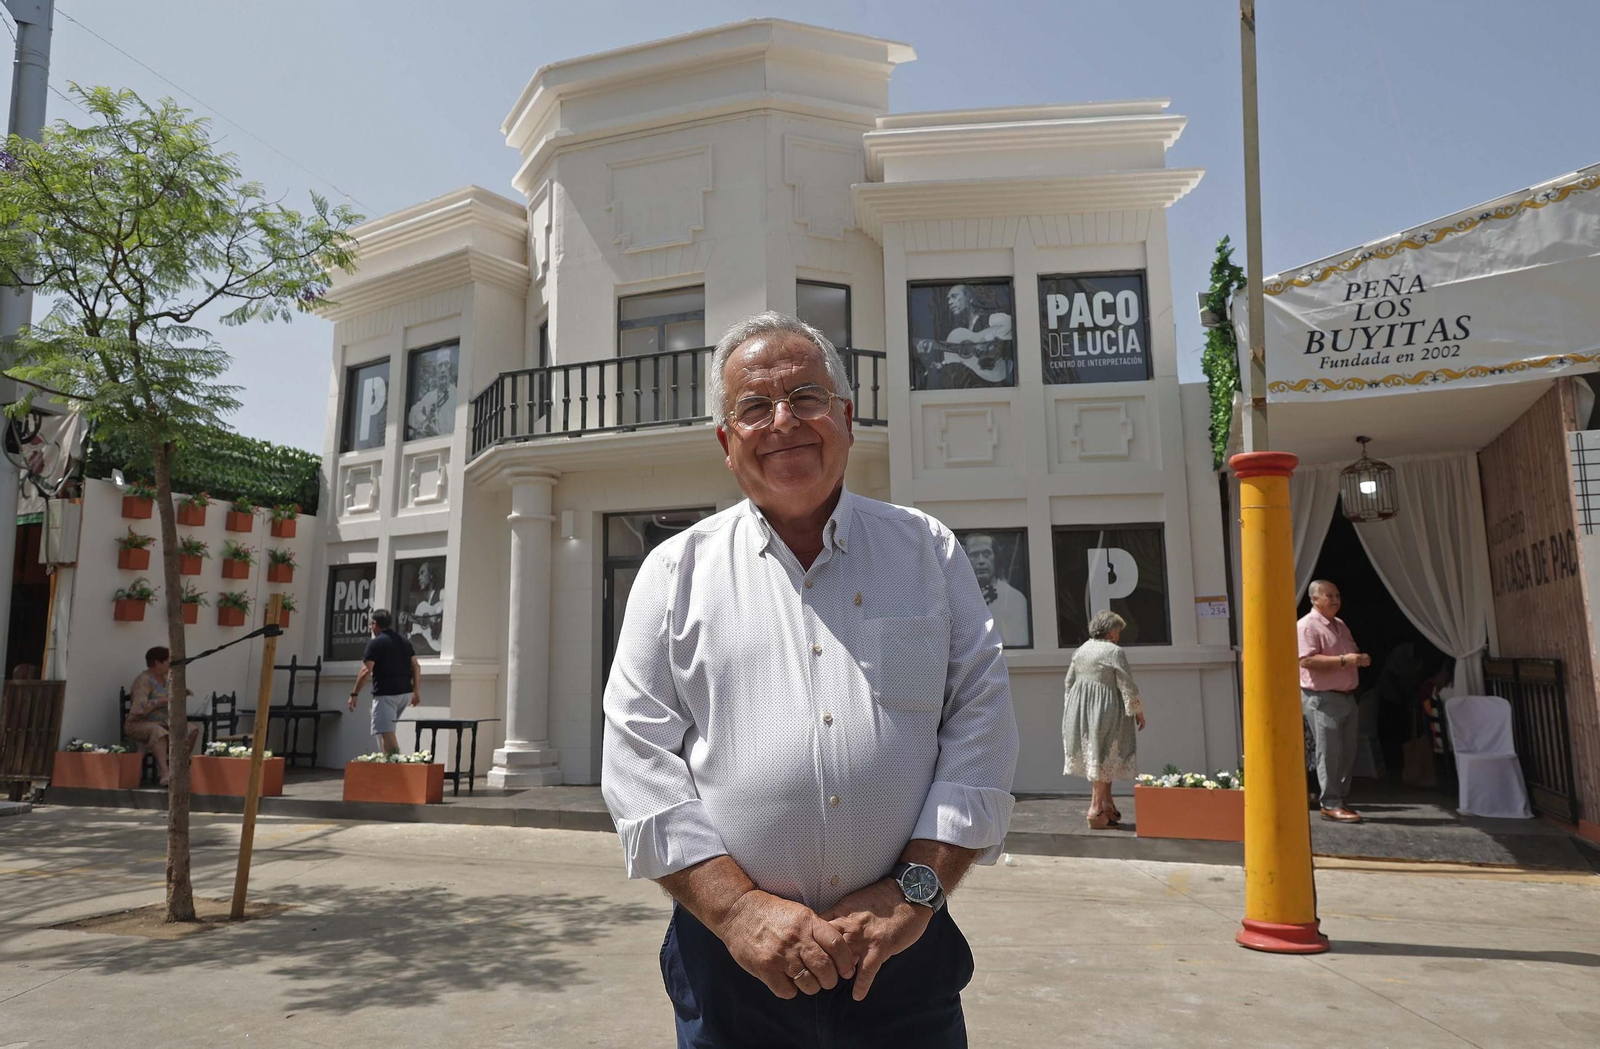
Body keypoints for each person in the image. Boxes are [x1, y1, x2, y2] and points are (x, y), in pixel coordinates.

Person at [602, 311, 1019, 1048]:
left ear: (849, 419)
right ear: (727, 443)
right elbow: (636, 758)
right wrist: (736, 911)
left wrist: (910, 894)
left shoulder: (927, 551)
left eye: (807, 396)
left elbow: (981, 726)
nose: (783, 421)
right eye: (754, 407)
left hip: (905, 959)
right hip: (734, 968)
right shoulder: (673, 573)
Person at [1061, 611, 1145, 829]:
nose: (1118, 636)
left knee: (1099, 756)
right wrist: (1138, 711)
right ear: (1110, 632)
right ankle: (1095, 809)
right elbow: (1126, 683)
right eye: (1117, 631)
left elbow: (1069, 683)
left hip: (1081, 711)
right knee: (1103, 754)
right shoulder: (1114, 651)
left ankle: (1107, 805)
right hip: (1107, 709)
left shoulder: (1081, 650)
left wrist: (1071, 710)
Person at [1297, 580, 1371, 823]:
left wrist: (1359, 659)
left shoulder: (1340, 624)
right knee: (1329, 752)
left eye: (1337, 595)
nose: (1335, 599)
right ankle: (1330, 803)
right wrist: (1344, 661)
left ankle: (1340, 798)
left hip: (1346, 697)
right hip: (1322, 698)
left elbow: (1349, 652)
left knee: (1347, 752)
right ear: (1314, 599)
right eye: (1329, 595)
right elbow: (1306, 661)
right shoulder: (1307, 625)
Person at [912, 283, 1014, 389]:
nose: (950, 302)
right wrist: (930, 360)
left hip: (997, 382)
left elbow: (1011, 324)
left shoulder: (989, 319)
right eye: (948, 299)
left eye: (954, 297)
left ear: (969, 299)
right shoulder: (959, 333)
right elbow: (955, 360)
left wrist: (985, 339)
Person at [347, 609, 421, 755]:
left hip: (386, 694)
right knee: (384, 730)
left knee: (386, 732)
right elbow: (416, 666)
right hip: (405, 693)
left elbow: (366, 671)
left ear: (375, 623)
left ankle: (397, 769)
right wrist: (416, 691)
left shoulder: (376, 643)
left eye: (371, 624)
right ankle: (386, 766)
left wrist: (354, 694)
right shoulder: (404, 641)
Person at [123, 646, 198, 786]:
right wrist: (163, 701)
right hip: (139, 723)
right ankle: (164, 773)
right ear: (157, 663)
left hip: (164, 722)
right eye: (167, 662)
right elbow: (139, 708)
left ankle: (179, 767)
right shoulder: (143, 680)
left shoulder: (166, 680)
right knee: (159, 732)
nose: (170, 665)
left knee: (191, 730)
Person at [961, 532, 1030, 646]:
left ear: (996, 557)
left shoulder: (1015, 598)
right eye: (974, 555)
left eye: (987, 553)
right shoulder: (957, 598)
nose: (981, 561)